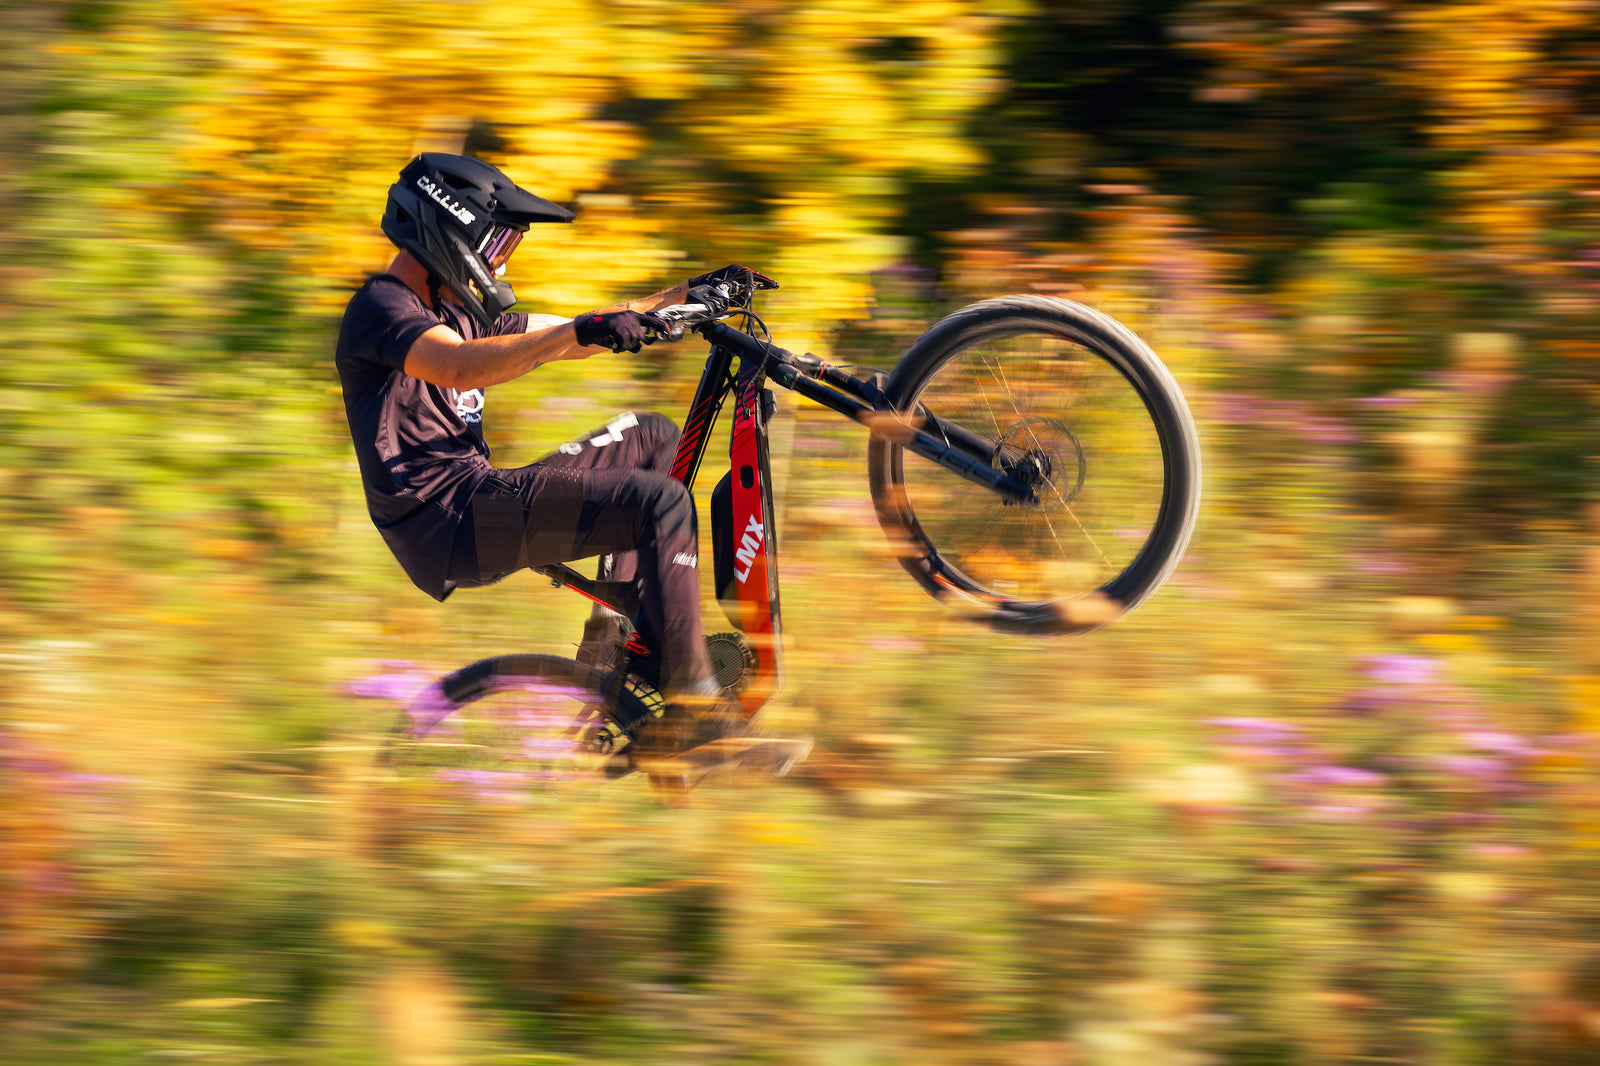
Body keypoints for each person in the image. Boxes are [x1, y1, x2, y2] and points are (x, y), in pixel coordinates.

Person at [334, 152, 761, 738]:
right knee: (660, 505)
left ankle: (610, 654)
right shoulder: (383, 308)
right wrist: (574, 331)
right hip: (447, 523)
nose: (501, 259)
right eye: (497, 242)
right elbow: (457, 367)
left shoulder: (458, 310)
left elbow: (574, 331)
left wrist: (689, 293)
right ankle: (697, 712)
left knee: (654, 438)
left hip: (478, 500)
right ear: (449, 229)